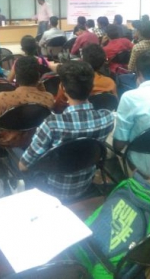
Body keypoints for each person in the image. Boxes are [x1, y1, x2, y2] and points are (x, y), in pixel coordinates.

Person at [19, 61, 114, 201]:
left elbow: (23, 166)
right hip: (85, 185)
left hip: (51, 191)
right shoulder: (107, 118)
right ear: (91, 87)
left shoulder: (52, 124)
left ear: (62, 88)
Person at [0, 56, 54, 147]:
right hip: (40, 141)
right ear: (38, 76)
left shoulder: (3, 99)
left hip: (9, 144)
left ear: (16, 78)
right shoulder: (48, 98)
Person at [54, 44, 116, 112]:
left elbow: (58, 107)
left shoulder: (69, 82)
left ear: (82, 60)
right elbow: (115, 103)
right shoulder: (110, 83)